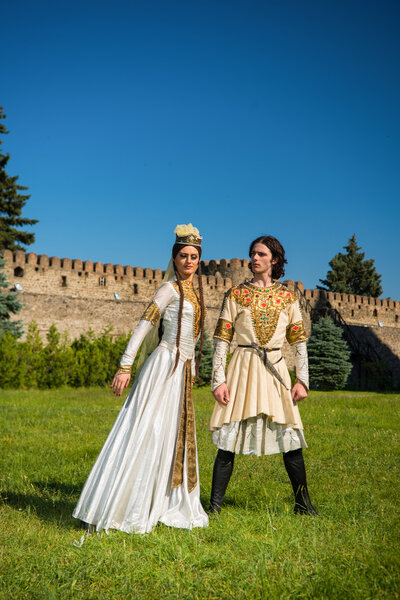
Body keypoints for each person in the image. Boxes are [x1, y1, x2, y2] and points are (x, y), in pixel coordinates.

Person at [73, 224, 209, 534]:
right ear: (174, 258)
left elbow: (192, 336)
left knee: (172, 434)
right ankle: (127, 502)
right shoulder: (169, 289)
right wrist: (125, 365)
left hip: (182, 372)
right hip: (163, 367)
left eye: (194, 256)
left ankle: (163, 500)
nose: (189, 261)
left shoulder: (194, 292)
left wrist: (193, 369)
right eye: (184, 256)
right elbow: (143, 325)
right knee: (149, 428)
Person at [209, 235, 318, 516]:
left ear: (275, 260)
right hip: (243, 368)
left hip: (276, 368)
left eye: (260, 254)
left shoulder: (287, 297)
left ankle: (302, 504)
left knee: (291, 437)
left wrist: (303, 380)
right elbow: (221, 339)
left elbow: (299, 342)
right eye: (252, 254)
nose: (254, 258)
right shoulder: (235, 294)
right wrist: (218, 379)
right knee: (228, 439)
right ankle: (214, 508)